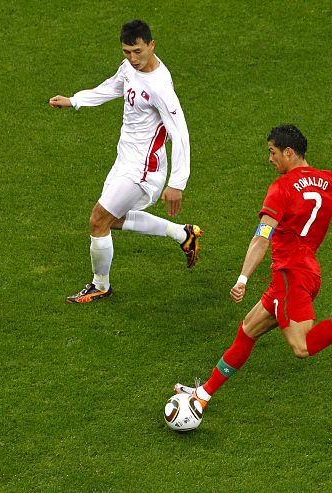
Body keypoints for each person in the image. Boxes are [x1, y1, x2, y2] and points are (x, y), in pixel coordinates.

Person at [173, 124, 332, 426]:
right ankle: (203, 395)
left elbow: (262, 237)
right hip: (301, 274)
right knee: (248, 329)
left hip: (291, 276)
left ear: (289, 152)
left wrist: (243, 278)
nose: (270, 159)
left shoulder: (282, 188)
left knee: (302, 347)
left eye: (273, 153)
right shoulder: (329, 181)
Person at [49, 20, 202, 303]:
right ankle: (183, 234)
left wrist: (177, 182)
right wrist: (75, 100)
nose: (132, 58)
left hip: (143, 169)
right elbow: (111, 87)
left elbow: (180, 132)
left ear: (152, 45)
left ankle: (100, 285)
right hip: (124, 159)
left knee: (98, 220)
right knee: (113, 220)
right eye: (126, 52)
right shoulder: (131, 69)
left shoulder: (160, 87)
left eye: (138, 51)